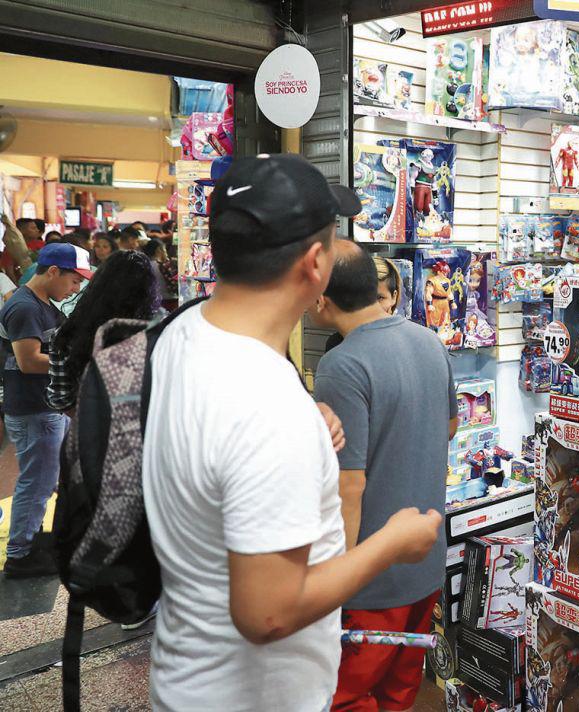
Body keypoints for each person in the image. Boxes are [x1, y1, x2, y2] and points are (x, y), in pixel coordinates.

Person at [141, 154, 442, 710]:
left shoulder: (183, 332)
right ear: (314, 265)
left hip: (187, 675)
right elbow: (268, 614)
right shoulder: (267, 404)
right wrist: (392, 544)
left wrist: (307, 423)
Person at [309, 240, 456, 712]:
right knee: (400, 689)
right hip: (426, 553)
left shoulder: (341, 364)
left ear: (321, 300)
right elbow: (450, 426)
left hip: (373, 573)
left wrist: (338, 581)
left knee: (346, 695)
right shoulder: (427, 340)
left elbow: (348, 488)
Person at [0, 243, 90, 578]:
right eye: (73, 280)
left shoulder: (42, 304)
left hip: (43, 406)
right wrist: (76, 362)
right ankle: (20, 555)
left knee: (44, 479)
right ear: (53, 272)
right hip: (33, 409)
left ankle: (30, 540)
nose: (76, 288)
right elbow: (28, 361)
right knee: (36, 482)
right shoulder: (25, 307)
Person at [47, 250, 161, 413]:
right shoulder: (160, 331)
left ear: (98, 283)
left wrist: (94, 424)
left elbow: (61, 397)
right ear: (148, 290)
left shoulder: (68, 333)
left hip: (91, 432)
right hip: (149, 429)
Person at [324, 255, 401, 352]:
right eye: (364, 296)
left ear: (394, 297)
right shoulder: (337, 344)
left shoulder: (407, 341)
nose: (371, 306)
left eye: (380, 298)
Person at [140, 237, 178, 310]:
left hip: (152, 302)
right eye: (164, 249)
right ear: (159, 250)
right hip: (170, 302)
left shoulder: (144, 265)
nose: (166, 253)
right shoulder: (163, 266)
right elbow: (173, 286)